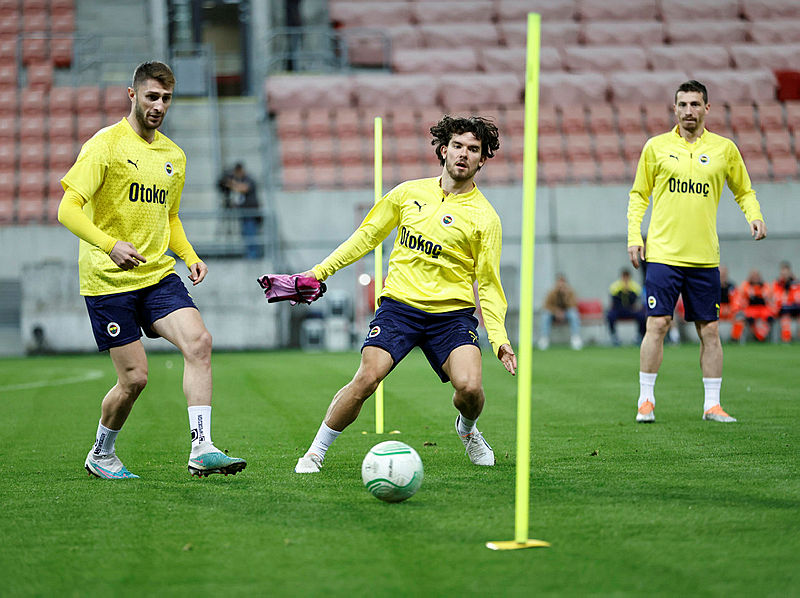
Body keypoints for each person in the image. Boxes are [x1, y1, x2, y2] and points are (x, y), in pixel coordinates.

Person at [293, 115, 517, 473]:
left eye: (473, 149)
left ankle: (468, 430)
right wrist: (318, 273)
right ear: (444, 149)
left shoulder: (485, 218)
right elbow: (364, 238)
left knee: (471, 389)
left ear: (482, 160)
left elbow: (488, 283)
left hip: (451, 316)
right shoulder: (407, 193)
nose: (463, 154)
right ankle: (315, 452)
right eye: (457, 146)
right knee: (366, 378)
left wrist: (500, 339)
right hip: (399, 308)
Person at [57, 61, 247, 479]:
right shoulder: (104, 146)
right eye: (151, 97)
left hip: (157, 275)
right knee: (135, 380)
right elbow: (66, 209)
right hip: (108, 280)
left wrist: (190, 255)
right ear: (132, 95)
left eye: (166, 99)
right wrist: (109, 245)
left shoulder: (173, 156)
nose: (159, 106)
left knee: (199, 342)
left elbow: (170, 217)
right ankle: (101, 454)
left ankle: (202, 447)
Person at [627, 79, 767, 424]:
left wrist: (755, 215)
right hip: (662, 254)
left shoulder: (724, 149)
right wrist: (635, 236)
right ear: (674, 109)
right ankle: (646, 400)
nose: (688, 110)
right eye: (682, 104)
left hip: (705, 257)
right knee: (657, 324)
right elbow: (638, 195)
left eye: (695, 104)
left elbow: (744, 190)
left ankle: (712, 405)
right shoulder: (656, 147)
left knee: (709, 330)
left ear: (707, 108)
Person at [218, 162, 262, 259]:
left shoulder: (249, 179)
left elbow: (244, 189)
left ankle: (253, 255)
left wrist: (230, 183)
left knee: (251, 234)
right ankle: (249, 254)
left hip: (251, 213)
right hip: (244, 213)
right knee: (246, 234)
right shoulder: (240, 180)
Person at [537, 273, 583, 350]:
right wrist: (556, 311)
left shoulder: (570, 292)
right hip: (554, 314)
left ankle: (575, 338)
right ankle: (544, 338)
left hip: (566, 313)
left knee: (573, 314)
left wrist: (566, 296)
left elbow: (573, 305)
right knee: (545, 315)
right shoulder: (551, 293)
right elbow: (546, 305)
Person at [731, 269, 774, 343]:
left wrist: (755, 295)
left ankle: (761, 337)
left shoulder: (765, 285)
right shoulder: (745, 285)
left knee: (769, 319)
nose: (755, 278)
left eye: (757, 276)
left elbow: (768, 298)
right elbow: (742, 298)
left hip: (763, 310)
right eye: (753, 276)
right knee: (744, 319)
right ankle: (736, 339)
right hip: (750, 309)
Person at [606, 268, 646, 346]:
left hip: (630, 310)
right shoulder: (615, 286)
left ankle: (639, 336)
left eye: (627, 277)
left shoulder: (634, 286)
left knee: (641, 316)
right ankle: (614, 337)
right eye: (624, 277)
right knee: (610, 316)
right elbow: (614, 300)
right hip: (619, 310)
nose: (625, 279)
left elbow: (637, 301)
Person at [772, 261, 800, 342]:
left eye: (786, 272)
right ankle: (786, 339)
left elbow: (797, 297)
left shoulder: (796, 283)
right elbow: (777, 298)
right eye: (783, 272)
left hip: (795, 308)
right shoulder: (777, 283)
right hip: (783, 309)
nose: (785, 274)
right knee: (785, 319)